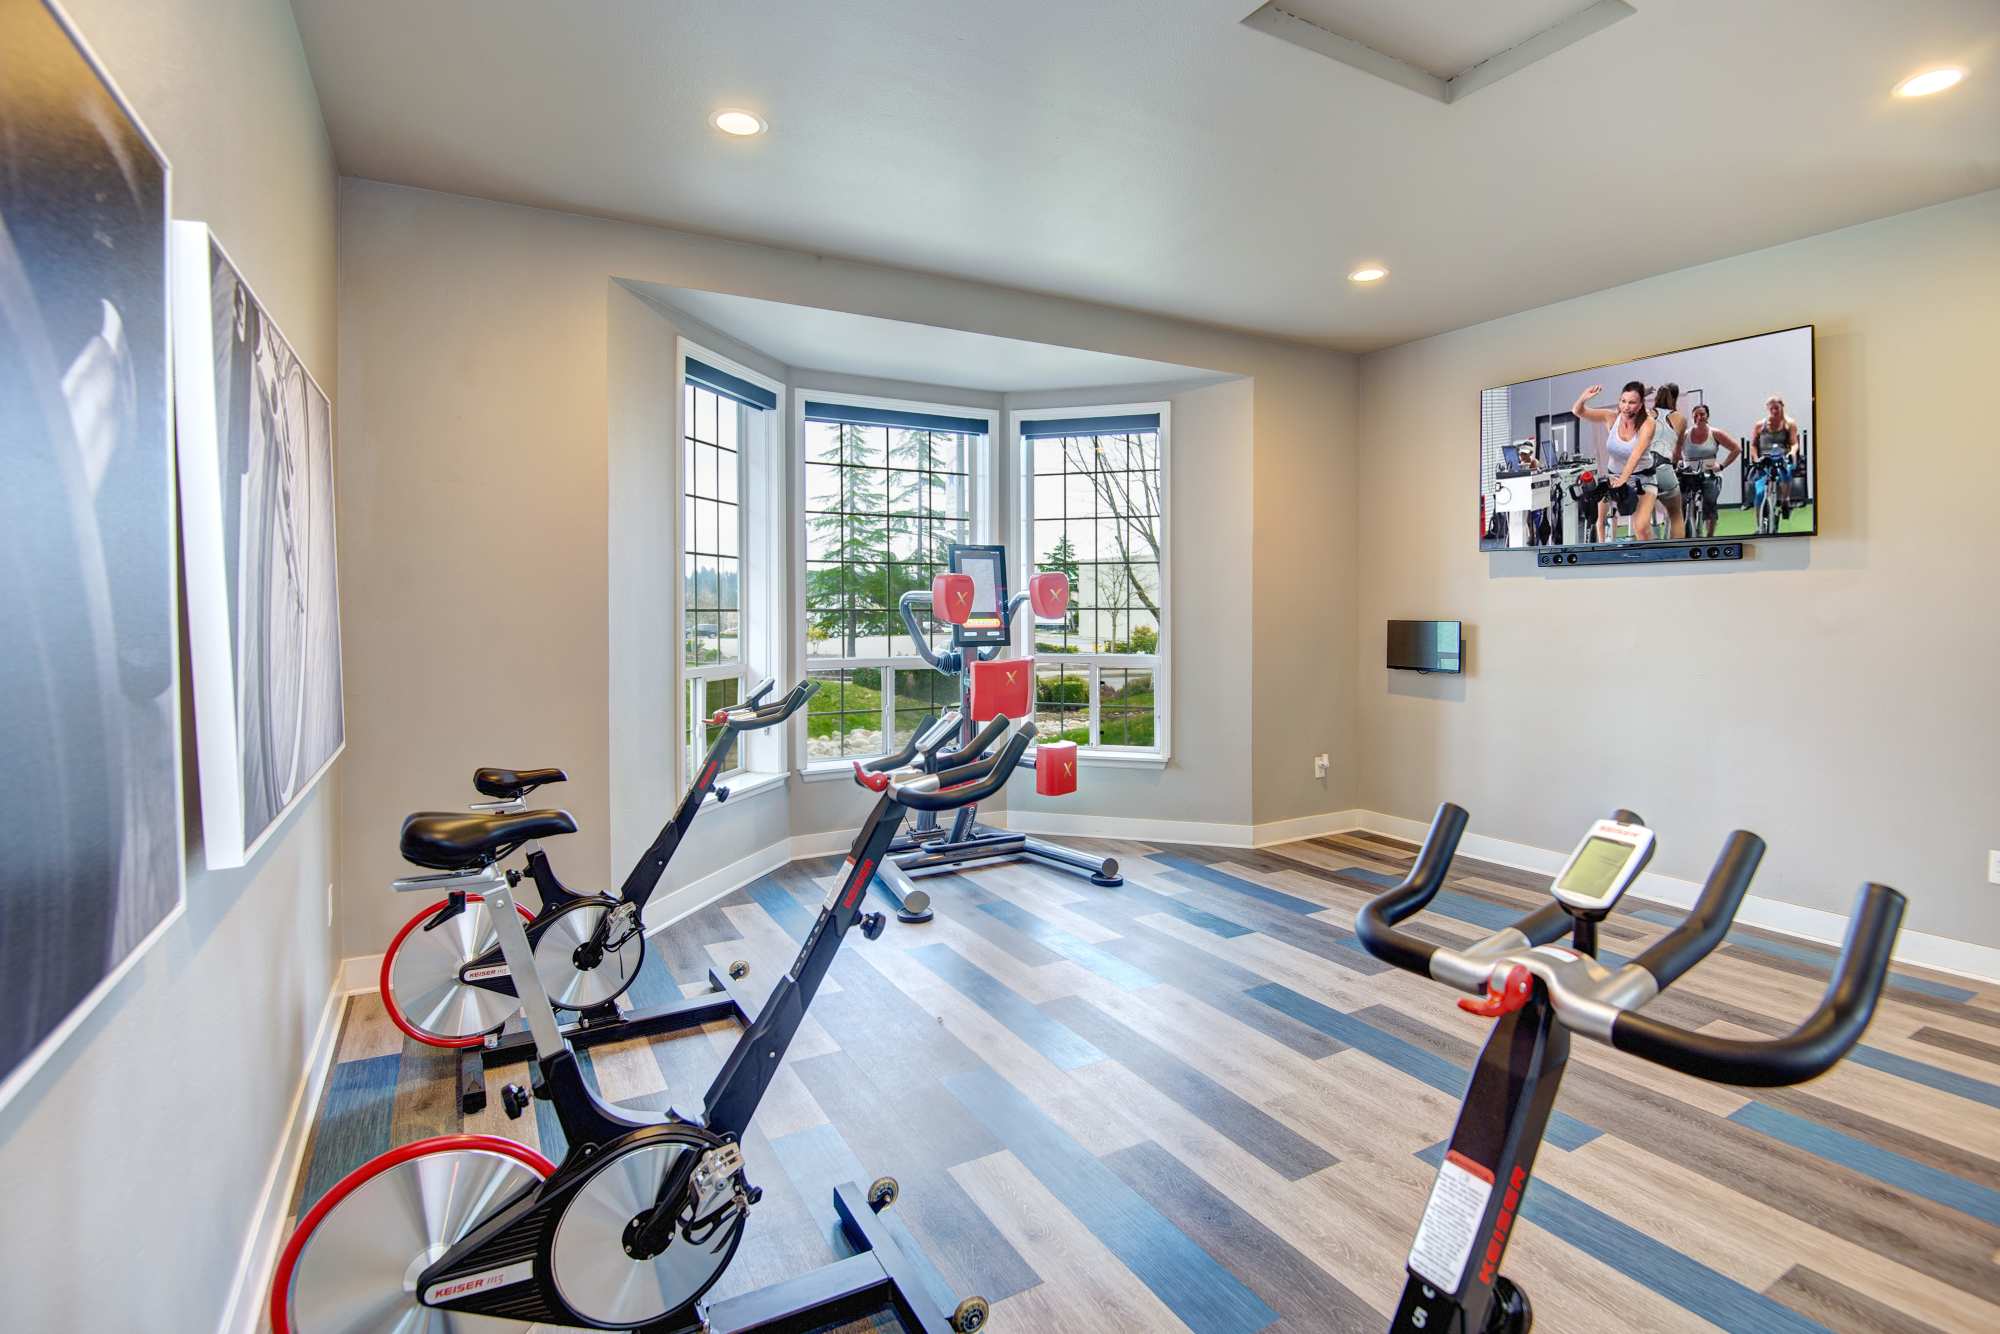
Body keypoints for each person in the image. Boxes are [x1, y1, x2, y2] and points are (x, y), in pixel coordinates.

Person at [1573, 380, 1683, 541]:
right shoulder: (1611, 417)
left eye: (1632, 403)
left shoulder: (1648, 423)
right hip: (1613, 477)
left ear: (1640, 405)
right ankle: (1604, 550)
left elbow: (1636, 454)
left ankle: (1651, 552)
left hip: (1643, 478)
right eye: (1623, 401)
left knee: (1641, 527)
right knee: (1599, 520)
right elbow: (1578, 411)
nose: (1626, 406)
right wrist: (1584, 397)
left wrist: (1623, 479)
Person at [1674, 403, 1741, 537]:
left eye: (1702, 414)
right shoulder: (1685, 435)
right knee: (1681, 502)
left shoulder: (1715, 433)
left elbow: (1736, 449)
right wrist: (1679, 463)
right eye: (1695, 415)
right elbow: (1675, 453)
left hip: (1710, 474)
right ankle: (1685, 531)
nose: (1699, 417)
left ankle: (1710, 536)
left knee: (1709, 501)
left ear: (1707, 416)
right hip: (1689, 474)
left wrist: (1721, 466)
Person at [1747, 394, 1802, 524]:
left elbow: (1794, 443)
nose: (1774, 411)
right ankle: (1759, 526)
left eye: (1776, 408)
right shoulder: (1760, 425)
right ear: (1768, 409)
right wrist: (1755, 459)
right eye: (1771, 408)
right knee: (1759, 494)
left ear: (1782, 407)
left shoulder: (1789, 424)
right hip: (1764, 460)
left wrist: (1792, 452)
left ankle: (1785, 500)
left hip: (1782, 458)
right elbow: (1753, 445)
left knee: (1786, 470)